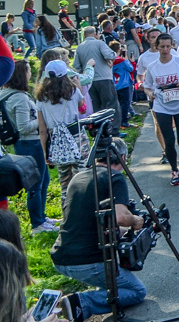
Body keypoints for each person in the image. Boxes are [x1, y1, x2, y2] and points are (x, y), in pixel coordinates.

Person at [50, 138, 148, 322]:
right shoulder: (114, 177)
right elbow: (120, 217)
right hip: (86, 261)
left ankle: (94, 292)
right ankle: (81, 303)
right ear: (123, 157)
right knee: (137, 291)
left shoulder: (79, 176)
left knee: (113, 279)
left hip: (60, 255)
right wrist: (135, 220)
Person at [2, 59, 58, 233]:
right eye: (27, 71)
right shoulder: (19, 98)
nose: (30, 74)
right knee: (35, 183)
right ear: (21, 75)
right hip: (29, 143)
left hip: (28, 143)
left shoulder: (6, 93)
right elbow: (24, 126)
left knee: (44, 179)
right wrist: (42, 120)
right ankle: (37, 223)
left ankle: (41, 216)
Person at [143, 33, 179, 186]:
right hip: (162, 106)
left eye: (168, 46)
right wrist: (150, 93)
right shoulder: (152, 67)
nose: (165, 50)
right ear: (157, 47)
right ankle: (174, 170)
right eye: (162, 47)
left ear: (172, 46)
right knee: (169, 140)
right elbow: (146, 87)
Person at [35, 60, 88, 200]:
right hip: (77, 138)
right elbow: (83, 109)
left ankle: (67, 213)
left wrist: (46, 152)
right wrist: (79, 88)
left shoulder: (41, 98)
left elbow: (42, 129)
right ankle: (83, 212)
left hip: (56, 141)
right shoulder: (73, 91)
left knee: (65, 182)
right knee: (82, 178)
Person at [73, 26, 120, 132]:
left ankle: (98, 130)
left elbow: (76, 65)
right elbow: (109, 55)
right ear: (95, 34)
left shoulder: (79, 47)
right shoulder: (100, 43)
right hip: (104, 78)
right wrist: (111, 58)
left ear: (84, 35)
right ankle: (113, 129)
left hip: (89, 81)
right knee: (111, 104)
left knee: (96, 106)